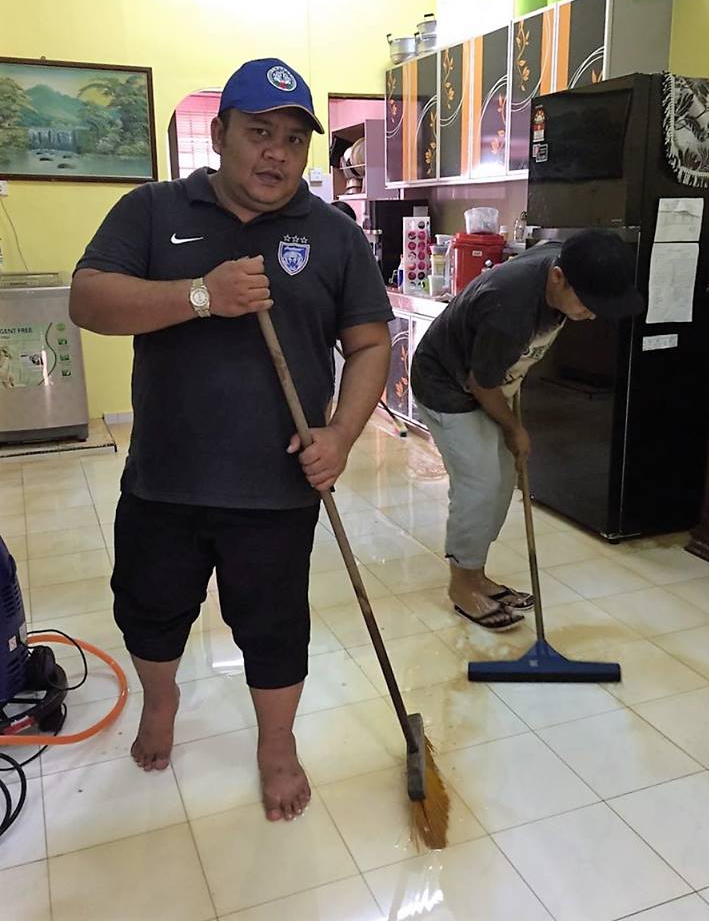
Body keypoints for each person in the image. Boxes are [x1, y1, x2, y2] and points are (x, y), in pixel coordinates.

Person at [70, 57, 392, 822]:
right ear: (219, 135)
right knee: (148, 611)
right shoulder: (151, 210)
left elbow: (370, 344)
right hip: (164, 477)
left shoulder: (332, 233)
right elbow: (88, 300)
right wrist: (200, 295)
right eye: (258, 133)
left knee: (274, 627)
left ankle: (276, 743)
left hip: (278, 487)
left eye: (293, 139)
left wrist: (342, 435)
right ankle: (160, 702)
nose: (276, 153)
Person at [410, 230, 643, 632]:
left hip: (488, 378)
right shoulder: (509, 309)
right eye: (587, 304)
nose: (591, 315)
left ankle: (476, 574)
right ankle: (462, 585)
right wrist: (514, 427)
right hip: (447, 384)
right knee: (480, 485)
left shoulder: (567, 260)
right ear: (557, 277)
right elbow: (481, 383)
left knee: (503, 482)